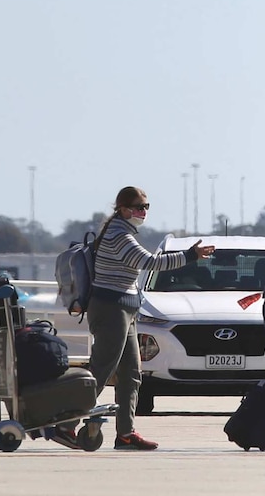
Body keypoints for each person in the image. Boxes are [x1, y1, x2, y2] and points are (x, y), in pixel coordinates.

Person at [64, 186, 214, 450]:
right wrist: (191, 256)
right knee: (102, 367)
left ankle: (125, 433)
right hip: (111, 308)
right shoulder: (119, 234)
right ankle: (66, 424)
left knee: (132, 373)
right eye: (137, 207)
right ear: (122, 209)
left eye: (146, 207)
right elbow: (150, 262)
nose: (142, 212)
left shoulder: (124, 231)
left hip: (127, 309)